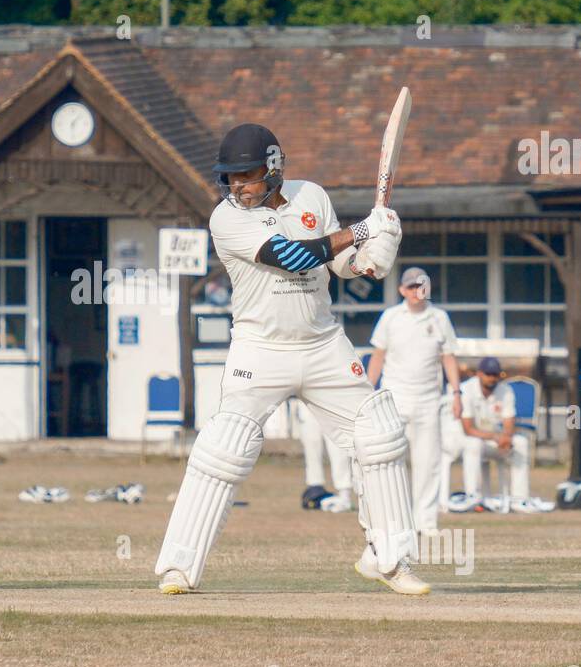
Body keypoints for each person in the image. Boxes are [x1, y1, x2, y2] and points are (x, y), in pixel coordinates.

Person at [154, 122, 428, 596]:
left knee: (380, 434)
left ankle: (389, 558)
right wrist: (360, 229)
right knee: (225, 447)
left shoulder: (312, 196)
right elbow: (292, 257)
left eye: (248, 175)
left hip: (323, 344)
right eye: (231, 178)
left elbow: (342, 265)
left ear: (275, 168)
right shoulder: (226, 218)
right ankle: (179, 567)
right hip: (260, 348)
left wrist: (377, 248)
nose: (237, 186)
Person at [367, 267, 461, 536]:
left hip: (429, 399)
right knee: (390, 460)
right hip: (394, 397)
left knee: (428, 462)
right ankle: (394, 521)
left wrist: (456, 393)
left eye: (420, 286)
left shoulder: (439, 318)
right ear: (401, 290)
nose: (416, 292)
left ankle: (426, 522)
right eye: (410, 287)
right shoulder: (390, 317)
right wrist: (366, 391)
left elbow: (449, 357)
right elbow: (378, 356)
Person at [459, 357, 533, 511]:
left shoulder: (506, 390)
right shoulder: (466, 389)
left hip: (495, 441)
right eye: (488, 374)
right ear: (479, 374)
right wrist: (495, 436)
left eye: (495, 374)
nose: (492, 378)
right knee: (473, 444)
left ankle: (519, 499)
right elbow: (468, 429)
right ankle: (473, 496)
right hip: (470, 439)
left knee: (521, 443)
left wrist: (506, 437)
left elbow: (509, 422)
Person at [297, 401, 355, 511]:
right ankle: (315, 490)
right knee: (311, 442)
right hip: (305, 398)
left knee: (337, 445)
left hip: (330, 397)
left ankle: (344, 494)